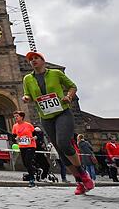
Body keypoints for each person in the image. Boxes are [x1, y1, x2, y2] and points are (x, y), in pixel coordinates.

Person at [22, 51, 94, 195]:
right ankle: (79, 182)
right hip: (46, 117)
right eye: (31, 59)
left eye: (36, 58)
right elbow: (27, 94)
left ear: (43, 60)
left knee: (63, 143)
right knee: (60, 152)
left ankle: (82, 172)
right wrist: (26, 98)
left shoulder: (55, 73)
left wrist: (69, 96)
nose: (33, 61)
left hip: (62, 113)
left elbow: (72, 86)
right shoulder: (27, 79)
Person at [12, 111, 37, 187]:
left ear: (22, 117)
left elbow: (35, 134)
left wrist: (35, 137)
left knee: (28, 161)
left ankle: (32, 179)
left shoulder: (28, 125)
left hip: (30, 146)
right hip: (22, 146)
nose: (15, 117)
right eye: (15, 116)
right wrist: (16, 138)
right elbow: (13, 137)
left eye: (17, 116)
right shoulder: (15, 126)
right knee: (25, 163)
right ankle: (35, 170)